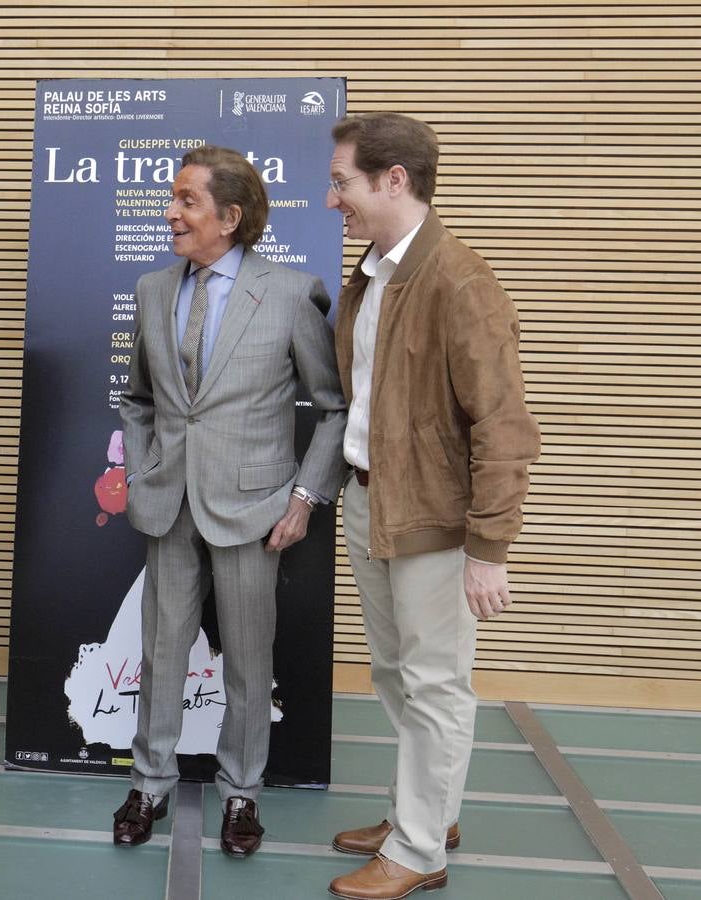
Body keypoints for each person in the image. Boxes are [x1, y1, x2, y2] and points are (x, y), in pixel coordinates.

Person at [323, 112, 539, 900]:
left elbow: (505, 425)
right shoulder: (374, 273)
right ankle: (427, 810)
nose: (330, 198)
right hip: (371, 502)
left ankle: (418, 851)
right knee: (396, 674)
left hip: (436, 523)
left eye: (342, 181)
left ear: (394, 180)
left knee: (437, 682)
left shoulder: (460, 281)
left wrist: (488, 547)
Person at [113, 145, 347, 856]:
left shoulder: (289, 292)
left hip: (254, 511)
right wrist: (149, 461)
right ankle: (148, 783)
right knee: (160, 652)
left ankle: (241, 793)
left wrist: (304, 497)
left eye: (186, 200)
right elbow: (139, 398)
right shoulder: (155, 289)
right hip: (168, 504)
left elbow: (333, 408)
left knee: (249, 661)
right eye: (172, 198)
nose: (170, 212)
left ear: (230, 216)